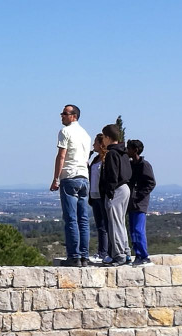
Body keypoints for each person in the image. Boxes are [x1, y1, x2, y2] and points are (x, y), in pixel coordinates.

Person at [50, 104, 92, 267]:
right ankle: (84, 255)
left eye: (65, 114)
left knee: (71, 218)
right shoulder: (86, 134)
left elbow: (61, 156)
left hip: (70, 175)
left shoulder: (65, 132)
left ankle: (74, 256)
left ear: (73, 116)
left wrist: (56, 178)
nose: (62, 116)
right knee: (83, 219)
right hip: (84, 177)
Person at [99, 124, 132, 266]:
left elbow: (112, 174)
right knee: (120, 222)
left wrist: (109, 191)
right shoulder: (123, 152)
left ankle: (119, 255)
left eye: (104, 137)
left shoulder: (112, 153)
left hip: (117, 189)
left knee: (114, 224)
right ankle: (126, 252)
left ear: (107, 137)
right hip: (125, 187)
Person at [127, 139, 157, 266]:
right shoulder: (131, 164)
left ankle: (144, 256)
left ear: (135, 150)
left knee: (138, 229)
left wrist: (138, 194)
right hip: (131, 202)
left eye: (129, 148)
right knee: (133, 230)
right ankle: (138, 255)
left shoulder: (145, 165)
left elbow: (151, 183)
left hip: (140, 202)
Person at [88, 134, 110, 264]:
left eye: (95, 143)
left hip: (102, 195)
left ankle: (104, 252)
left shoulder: (106, 159)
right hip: (94, 195)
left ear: (101, 144)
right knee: (99, 226)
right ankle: (102, 251)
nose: (93, 145)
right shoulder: (95, 159)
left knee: (105, 226)